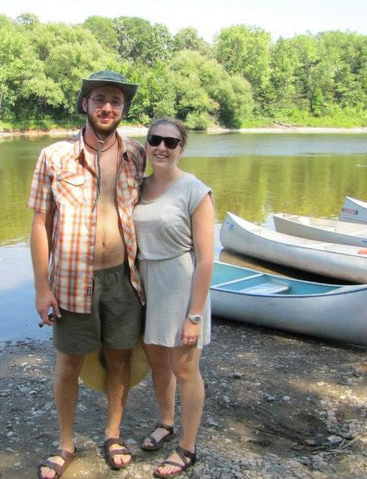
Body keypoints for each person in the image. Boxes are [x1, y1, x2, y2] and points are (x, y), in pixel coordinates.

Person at [28, 70, 146, 479]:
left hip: (124, 279)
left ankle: (113, 434)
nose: (107, 107)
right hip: (72, 280)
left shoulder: (137, 154)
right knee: (68, 365)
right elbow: (40, 223)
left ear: (123, 108)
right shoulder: (54, 157)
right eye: (99, 99)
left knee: (120, 357)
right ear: (85, 104)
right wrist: (42, 286)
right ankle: (65, 445)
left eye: (115, 100)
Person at [133, 118, 214, 478]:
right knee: (158, 365)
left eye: (171, 142)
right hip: (145, 283)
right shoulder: (136, 186)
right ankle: (166, 424)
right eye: (155, 140)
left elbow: (207, 258)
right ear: (147, 143)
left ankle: (187, 447)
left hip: (180, 286)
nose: (161, 147)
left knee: (184, 368)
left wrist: (194, 315)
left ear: (182, 148)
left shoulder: (195, 190)